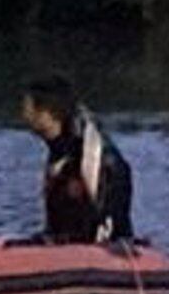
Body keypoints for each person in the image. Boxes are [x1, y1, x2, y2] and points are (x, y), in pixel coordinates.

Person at [20, 74, 134, 243]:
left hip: (102, 248)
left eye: (27, 108)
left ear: (46, 113)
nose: (23, 115)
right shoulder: (59, 154)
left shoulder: (95, 155)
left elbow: (110, 221)